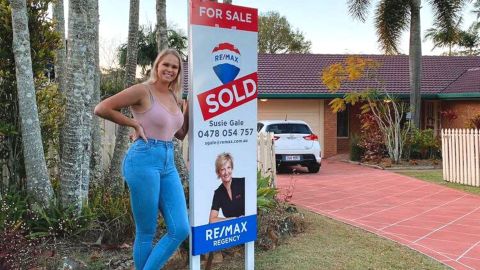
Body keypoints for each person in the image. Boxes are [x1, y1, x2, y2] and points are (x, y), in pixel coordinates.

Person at [94, 49, 189, 270]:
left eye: (174, 67)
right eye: (166, 65)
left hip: (168, 161)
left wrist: (191, 105)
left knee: (180, 228)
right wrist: (134, 124)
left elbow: (180, 133)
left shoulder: (175, 97)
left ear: (178, 71)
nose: (170, 70)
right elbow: (102, 108)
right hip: (143, 158)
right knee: (146, 231)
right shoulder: (142, 91)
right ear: (157, 66)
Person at [209, 153, 245, 223]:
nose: (226, 172)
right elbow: (212, 220)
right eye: (222, 169)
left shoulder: (242, 183)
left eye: (228, 168)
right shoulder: (218, 193)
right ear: (218, 172)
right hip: (232, 229)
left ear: (232, 168)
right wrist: (233, 219)